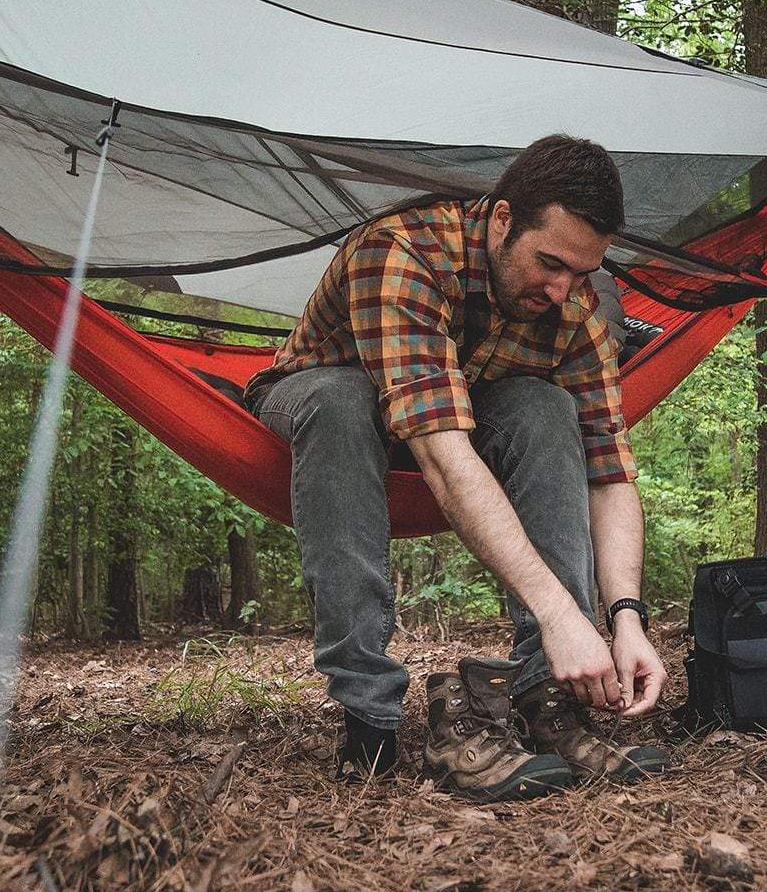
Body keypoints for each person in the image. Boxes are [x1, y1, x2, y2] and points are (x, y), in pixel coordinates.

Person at [244, 135, 672, 800]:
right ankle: (369, 717)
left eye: (581, 272)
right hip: (324, 404)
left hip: (458, 415)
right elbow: (444, 461)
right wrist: (562, 614)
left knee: (544, 406)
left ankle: (548, 700)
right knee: (343, 400)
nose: (561, 289)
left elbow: (609, 477)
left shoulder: (576, 309)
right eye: (549, 263)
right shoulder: (402, 251)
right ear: (502, 220)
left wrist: (625, 618)